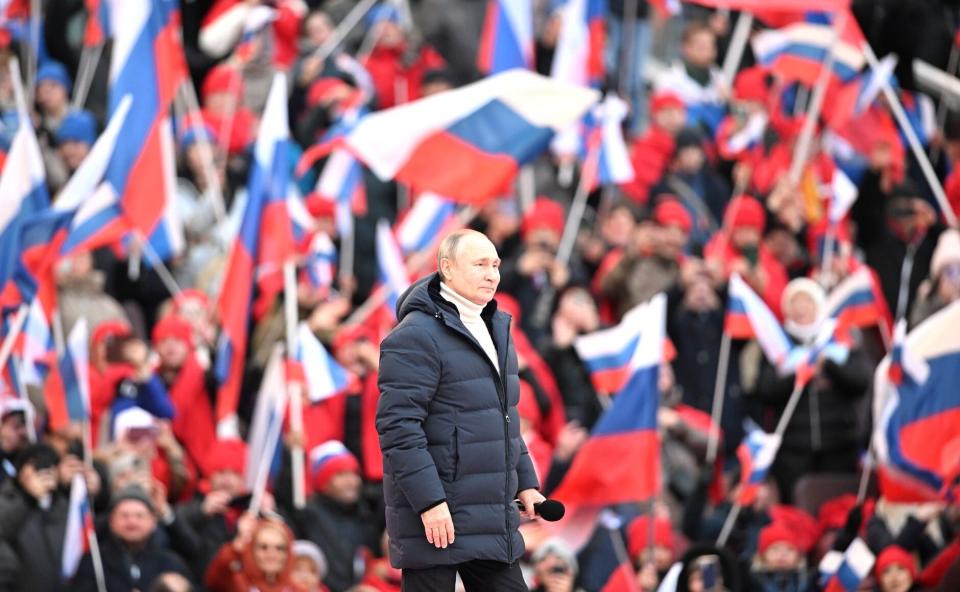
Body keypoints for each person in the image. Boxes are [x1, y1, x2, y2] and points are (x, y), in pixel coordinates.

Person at [376, 229, 544, 591]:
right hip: (436, 518)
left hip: (490, 515)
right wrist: (429, 502)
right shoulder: (414, 335)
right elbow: (398, 427)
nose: (492, 274)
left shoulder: (497, 327)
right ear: (447, 269)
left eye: (496, 265)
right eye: (480, 264)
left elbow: (503, 417)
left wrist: (526, 481)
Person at [73, 486, 192, 591]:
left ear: (153, 521)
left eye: (139, 516)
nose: (132, 522)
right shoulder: (94, 561)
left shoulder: (171, 563)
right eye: (124, 516)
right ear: (111, 521)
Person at [205, 514, 301, 592]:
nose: (271, 554)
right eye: (263, 547)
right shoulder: (237, 583)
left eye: (279, 548)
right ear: (252, 550)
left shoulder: (297, 589)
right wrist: (237, 546)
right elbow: (215, 578)